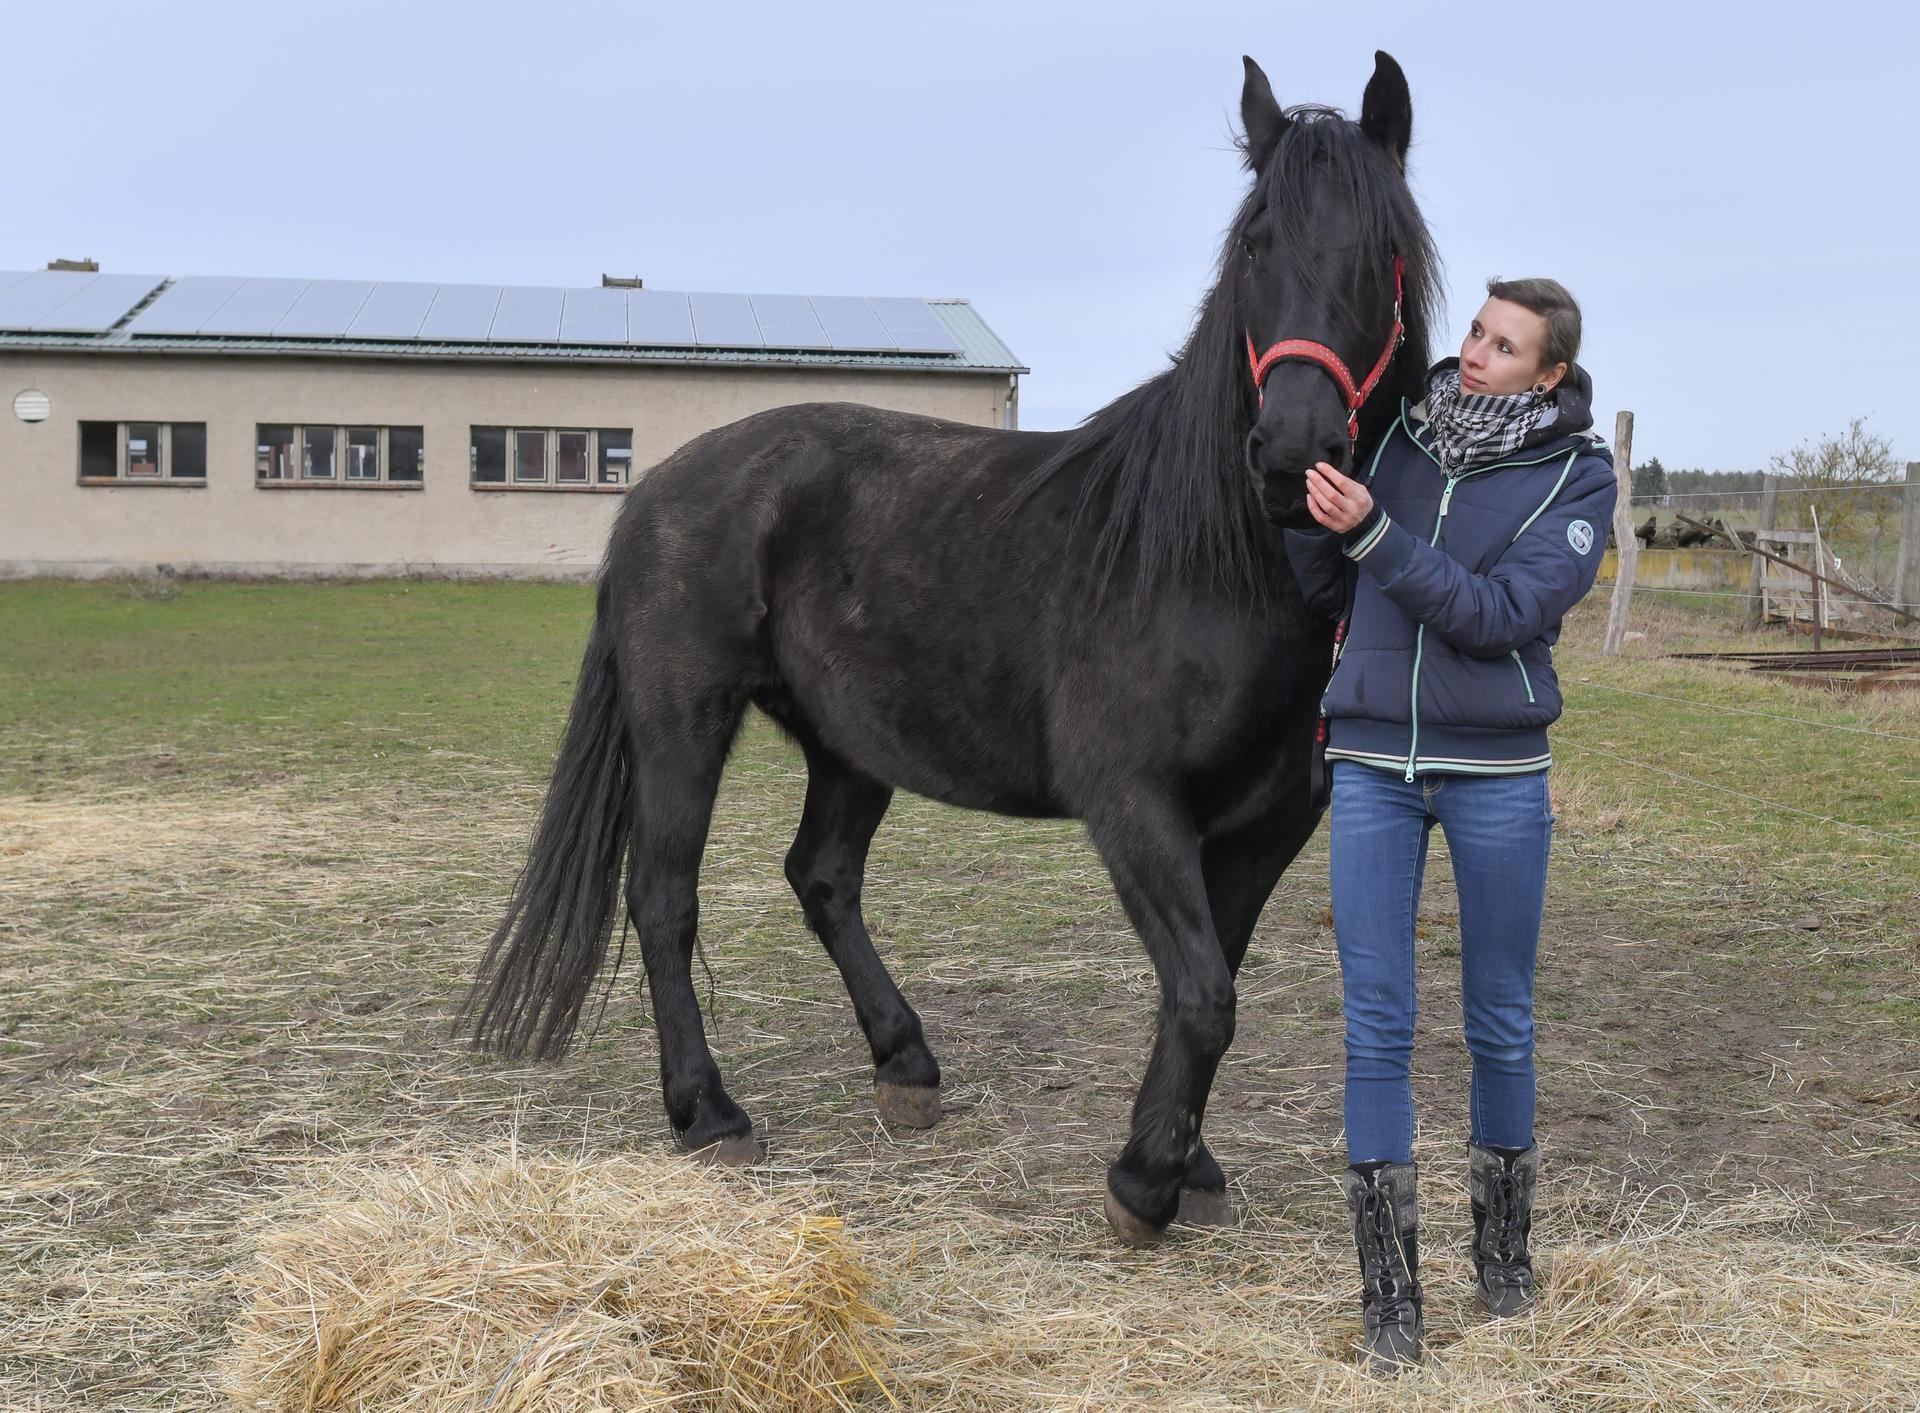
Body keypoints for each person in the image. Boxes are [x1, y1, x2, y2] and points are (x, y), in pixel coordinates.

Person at [1284, 277, 1618, 1374]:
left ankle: (1504, 1261)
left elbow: (1502, 617)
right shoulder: (1399, 438)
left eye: (1505, 346)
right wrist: (1308, 511)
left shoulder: (1578, 477)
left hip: (1499, 776)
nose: (1474, 353)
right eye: (1475, 332)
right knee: (1374, 1022)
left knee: (1500, 1018)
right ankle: (1390, 1293)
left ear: (1550, 373)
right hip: (1375, 762)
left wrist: (1376, 534)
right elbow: (1333, 583)